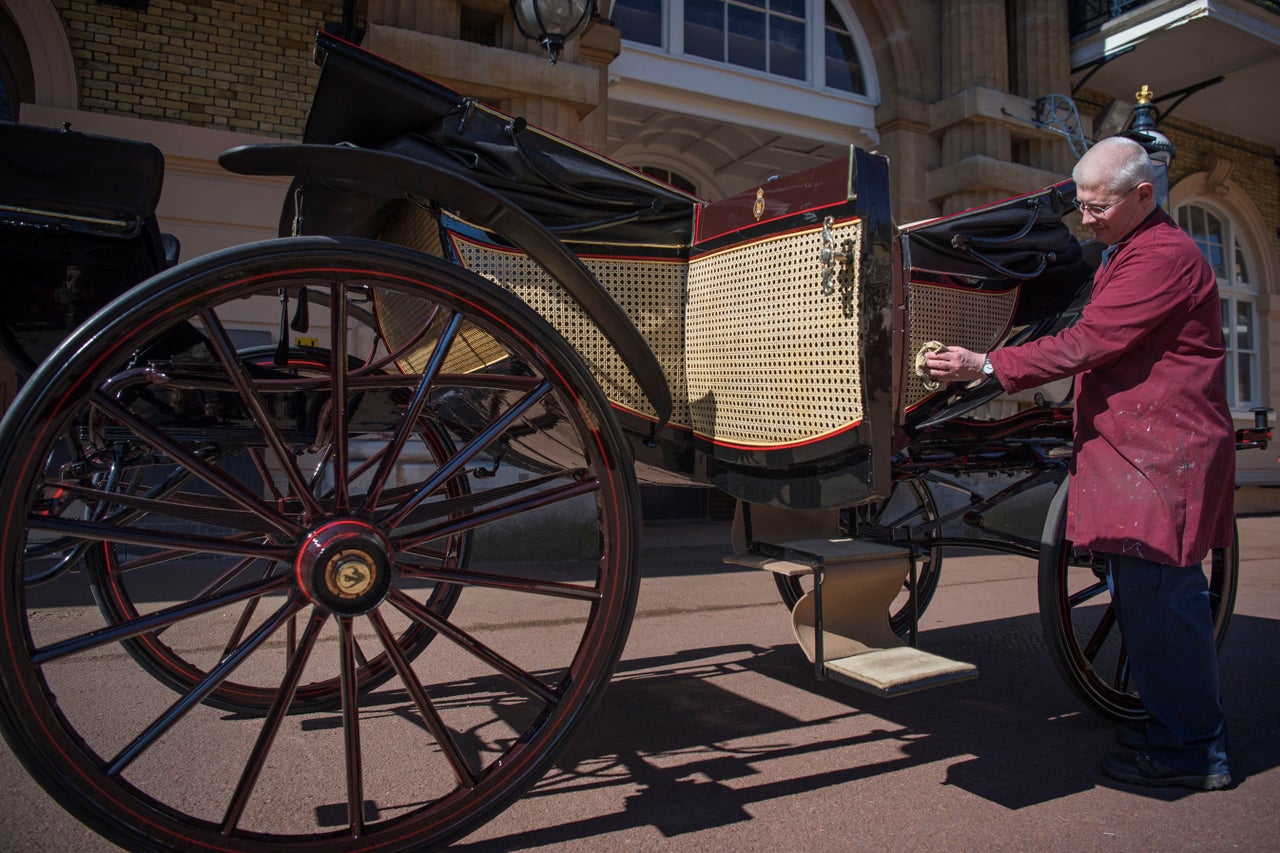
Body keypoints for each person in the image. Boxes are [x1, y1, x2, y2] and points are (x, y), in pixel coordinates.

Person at [923, 135, 1236, 791]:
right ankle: (1171, 723)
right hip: (1140, 452)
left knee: (1163, 608)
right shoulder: (1132, 247)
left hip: (1162, 455)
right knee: (1144, 606)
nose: (1085, 219)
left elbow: (1092, 341)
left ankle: (1194, 752)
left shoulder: (1163, 258)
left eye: (1096, 207)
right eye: (1082, 205)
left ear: (1142, 196)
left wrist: (986, 363)